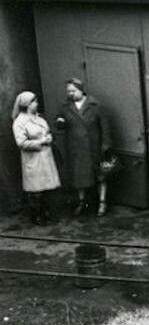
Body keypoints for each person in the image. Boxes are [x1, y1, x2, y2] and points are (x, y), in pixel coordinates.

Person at [54, 78, 110, 216]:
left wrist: (106, 145)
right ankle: (81, 201)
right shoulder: (65, 107)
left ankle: (102, 203)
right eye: (68, 91)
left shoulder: (95, 105)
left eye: (73, 91)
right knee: (78, 176)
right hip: (76, 149)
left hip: (94, 147)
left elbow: (105, 127)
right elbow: (60, 123)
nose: (70, 94)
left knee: (100, 176)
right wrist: (59, 122)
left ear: (81, 90)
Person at [11, 91, 60, 225]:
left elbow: (47, 132)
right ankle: (37, 215)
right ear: (27, 104)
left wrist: (49, 137)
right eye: (34, 101)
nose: (37, 104)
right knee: (36, 190)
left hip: (46, 157)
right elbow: (21, 143)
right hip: (33, 159)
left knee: (47, 188)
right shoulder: (19, 122)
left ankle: (47, 212)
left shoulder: (40, 119)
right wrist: (41, 142)